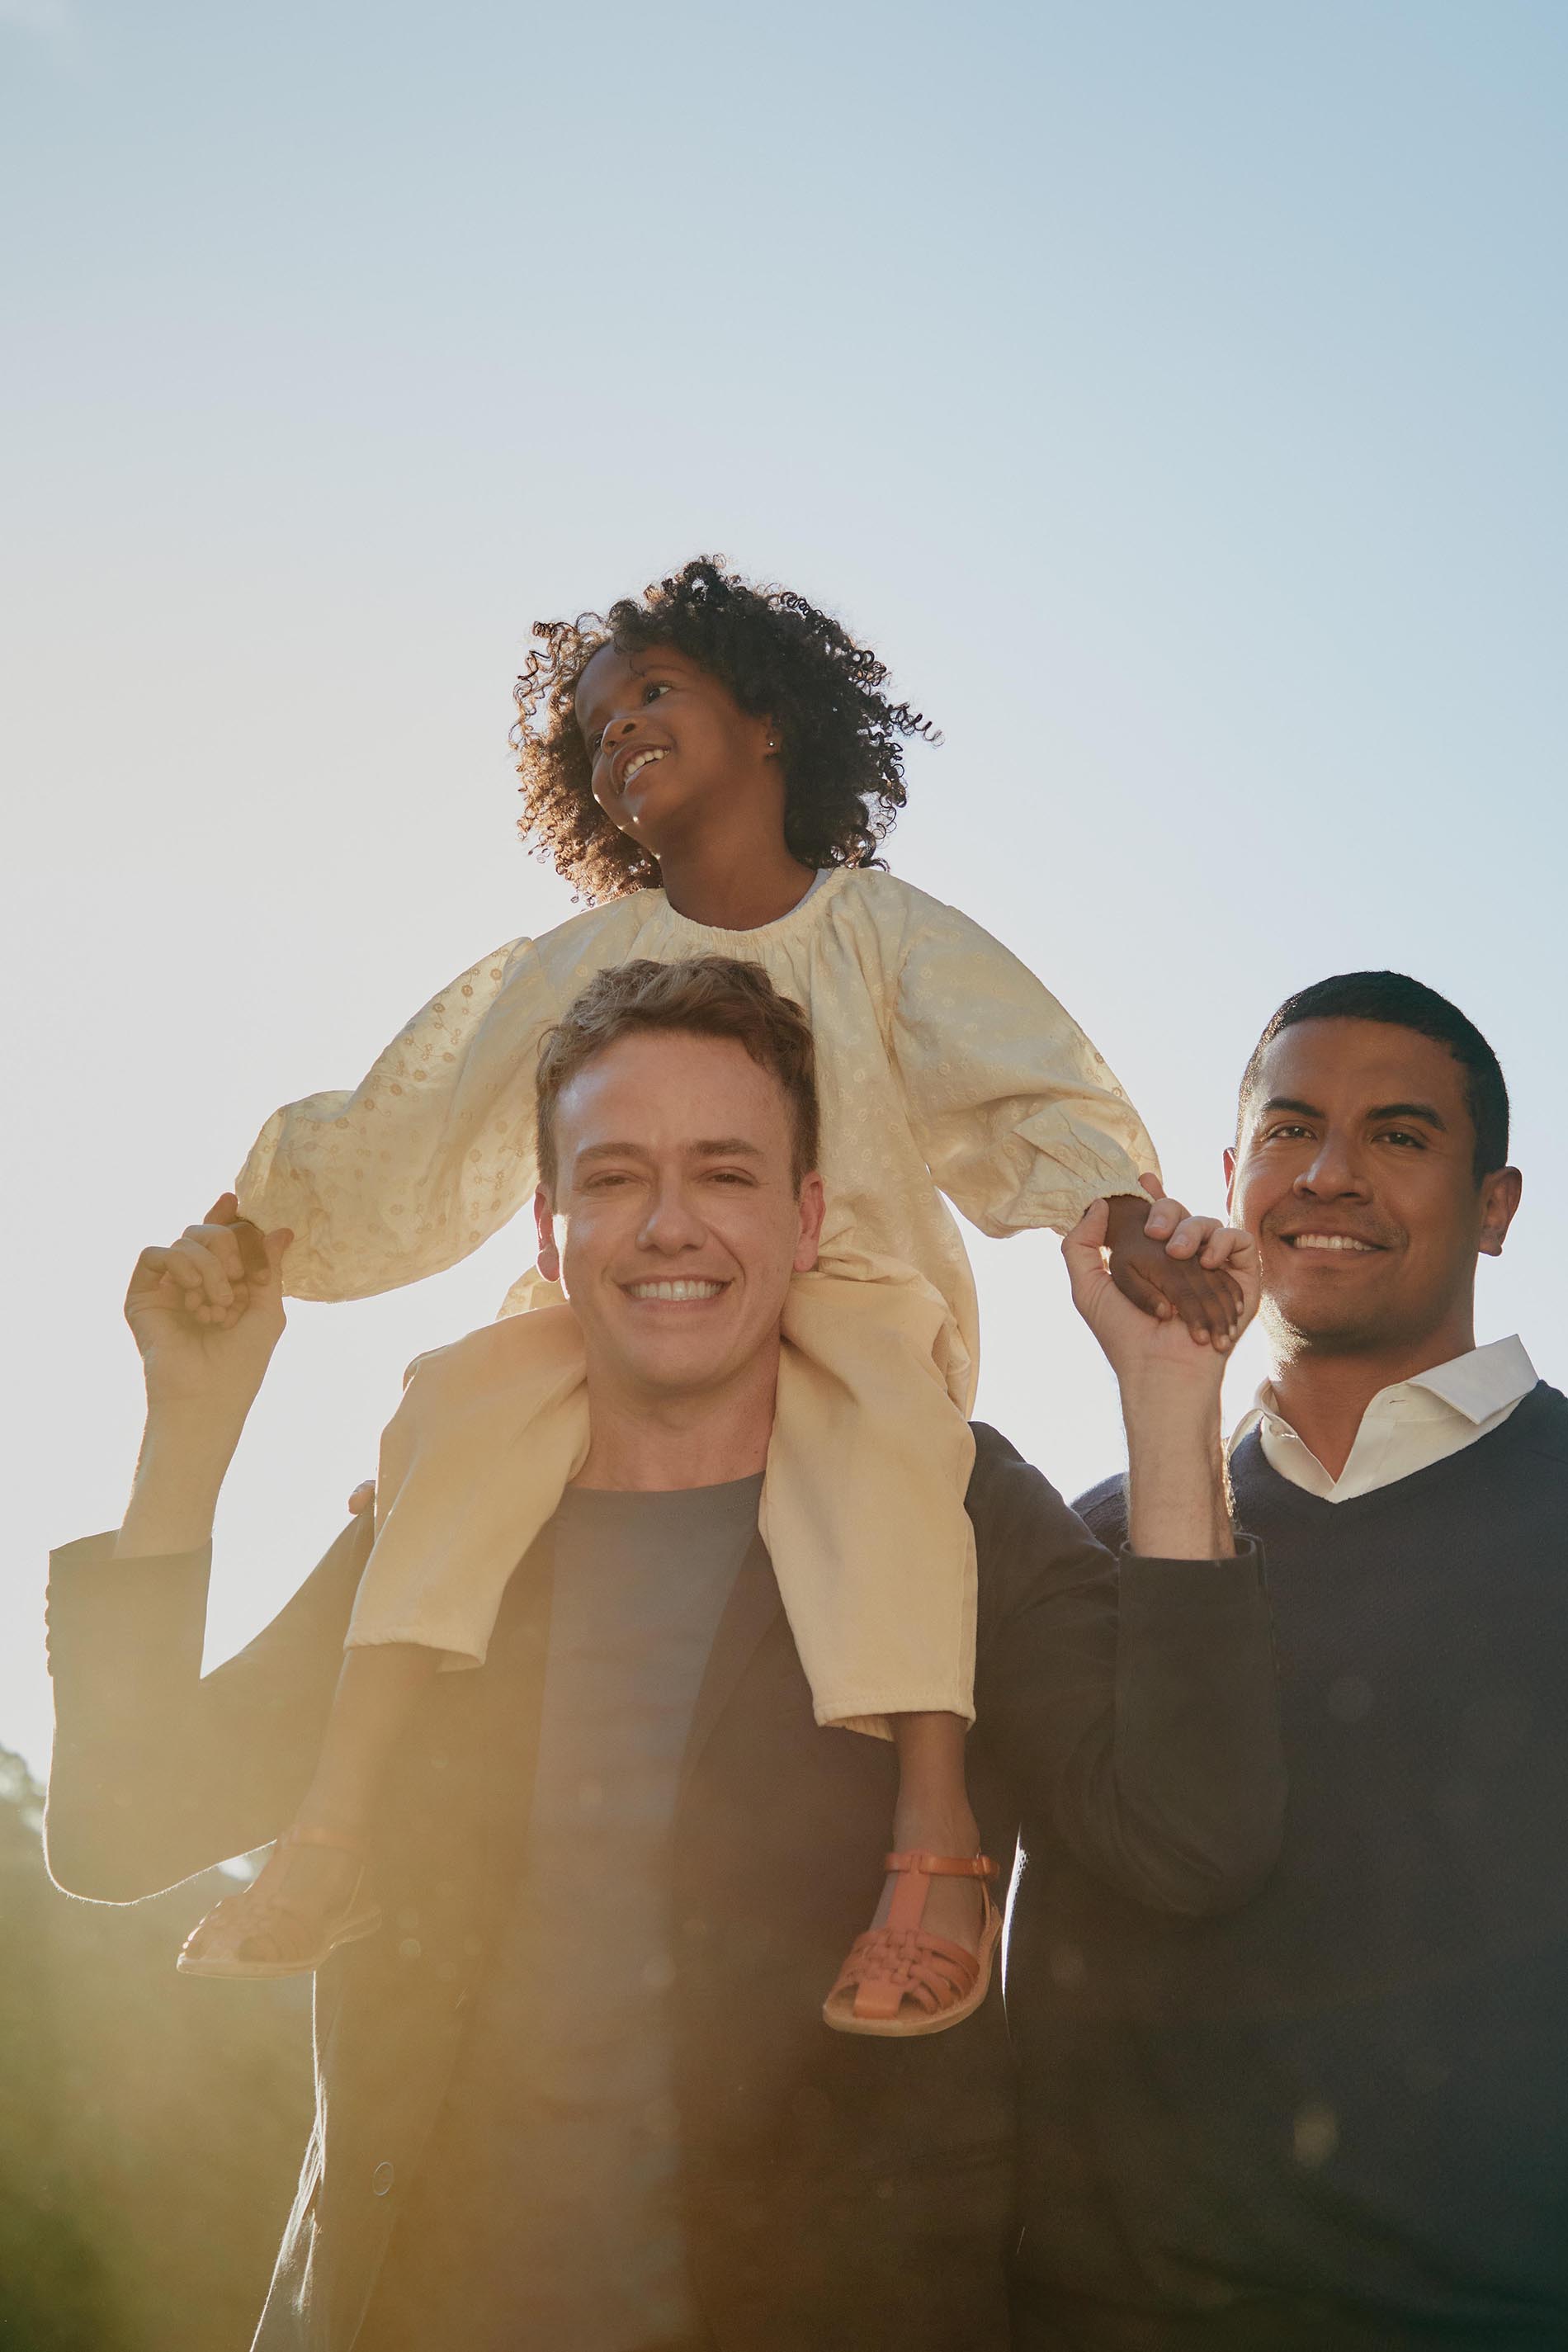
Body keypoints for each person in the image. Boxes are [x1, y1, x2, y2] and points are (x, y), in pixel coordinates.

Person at [46, 956, 1282, 2352]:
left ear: (809, 1216)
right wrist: (189, 1431)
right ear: (550, 1220)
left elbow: (1188, 1839)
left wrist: (1172, 1400)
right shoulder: (444, 1515)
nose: (669, 1224)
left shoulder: (952, 1503)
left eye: (727, 1172)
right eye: (616, 1174)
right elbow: (119, 1824)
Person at [171, 555, 1243, 2029]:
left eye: (654, 695)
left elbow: (1019, 1077)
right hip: (627, 1315)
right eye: (597, 729)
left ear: (770, 719)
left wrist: (1109, 1208)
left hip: (851, 1287)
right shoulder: (585, 963)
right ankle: (337, 1822)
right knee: (456, 1405)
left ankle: (933, 1838)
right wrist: (272, 1219)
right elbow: (437, 1106)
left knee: (892, 1443)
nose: (621, 736)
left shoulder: (878, 930)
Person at [1011, 970, 1567, 2351]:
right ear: (1232, 1172)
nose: (1330, 1174)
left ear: (1495, 1206)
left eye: (1399, 1135)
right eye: (1290, 1129)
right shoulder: (1083, 1548)